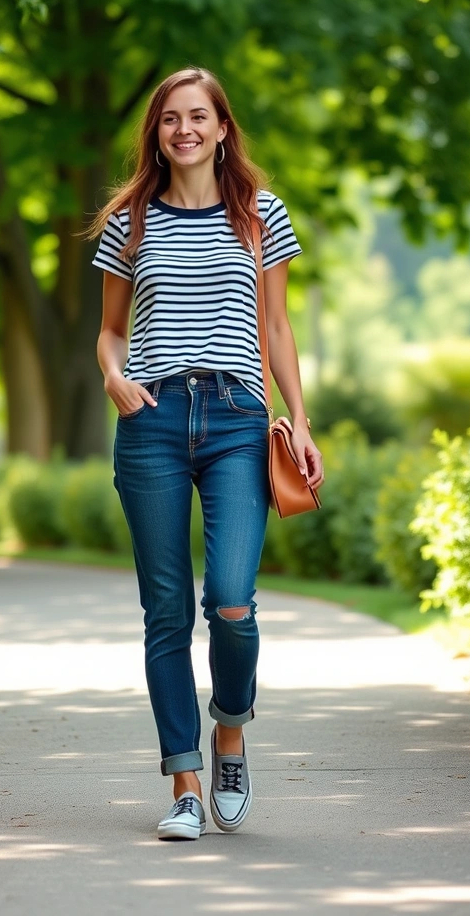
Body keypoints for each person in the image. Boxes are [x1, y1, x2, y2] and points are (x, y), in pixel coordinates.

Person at [88, 66, 323, 840]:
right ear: (156, 134)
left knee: (230, 597)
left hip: (235, 418)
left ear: (223, 128)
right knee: (163, 614)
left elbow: (277, 329)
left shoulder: (261, 214)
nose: (183, 129)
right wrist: (116, 378)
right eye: (169, 119)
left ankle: (230, 726)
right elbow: (110, 331)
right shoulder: (132, 221)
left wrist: (302, 419)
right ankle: (184, 785)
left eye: (199, 116)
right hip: (152, 421)